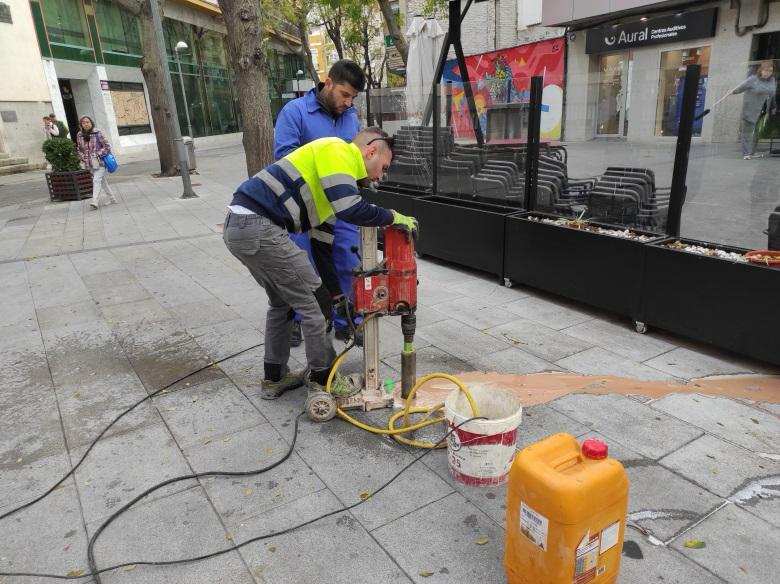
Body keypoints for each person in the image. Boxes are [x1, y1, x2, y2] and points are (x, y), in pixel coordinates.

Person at [222, 127, 417, 401]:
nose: (380, 177)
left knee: (283, 303)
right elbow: (352, 209)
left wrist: (338, 296)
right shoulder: (338, 151)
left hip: (240, 226)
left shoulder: (329, 188)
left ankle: (274, 377)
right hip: (257, 225)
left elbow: (322, 248)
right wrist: (392, 216)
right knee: (314, 303)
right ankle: (324, 380)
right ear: (371, 151)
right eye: (382, 168)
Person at [274, 60, 365, 348]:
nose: (348, 103)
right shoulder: (294, 112)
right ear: (328, 83)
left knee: (348, 259)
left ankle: (345, 320)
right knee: (302, 263)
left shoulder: (351, 117)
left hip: (341, 205)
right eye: (344, 95)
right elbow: (285, 158)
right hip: (303, 204)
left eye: (353, 98)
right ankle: (298, 320)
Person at [732, 60, 776, 159]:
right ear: (761, 70)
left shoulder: (772, 80)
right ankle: (746, 154)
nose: (767, 73)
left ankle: (752, 152)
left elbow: (772, 93)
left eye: (770, 71)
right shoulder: (753, 80)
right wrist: (731, 92)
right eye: (765, 70)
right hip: (751, 110)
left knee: (757, 133)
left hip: (764, 110)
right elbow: (739, 88)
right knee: (747, 133)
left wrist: (773, 106)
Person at [76, 115, 117, 210]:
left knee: (96, 180)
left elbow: (107, 146)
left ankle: (95, 201)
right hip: (88, 163)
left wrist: (97, 154)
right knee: (102, 181)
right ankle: (112, 198)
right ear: (81, 125)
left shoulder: (97, 133)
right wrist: (82, 156)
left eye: (87, 122)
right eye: (83, 122)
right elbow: (79, 148)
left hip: (100, 162)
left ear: (91, 123)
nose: (86, 124)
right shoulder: (79, 135)